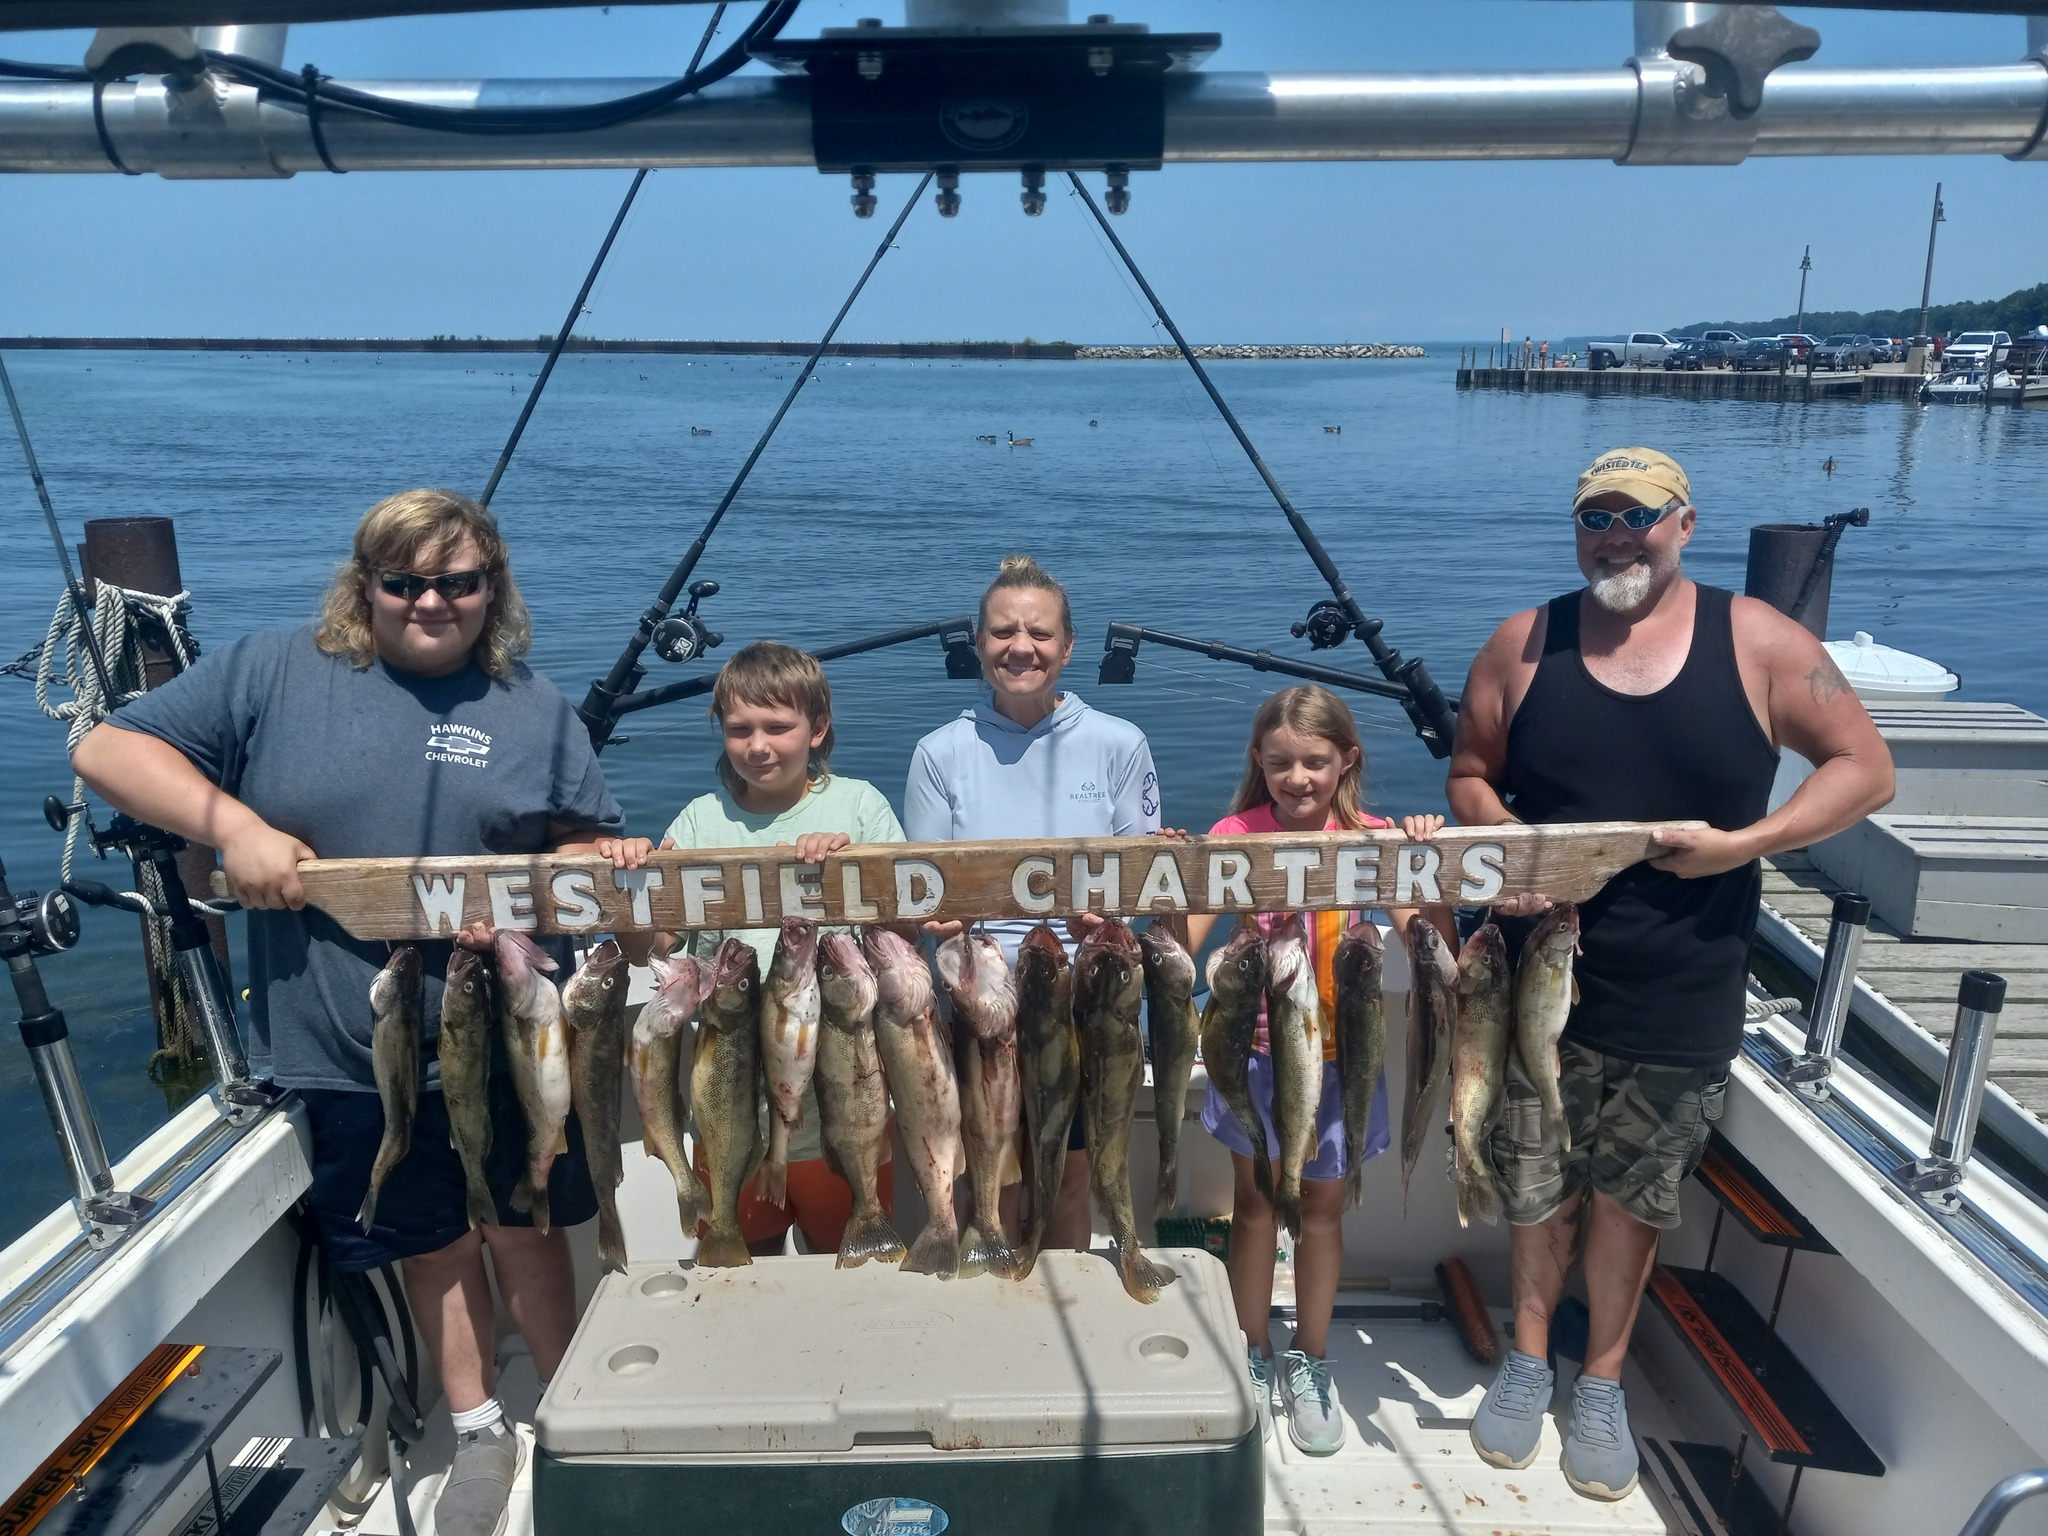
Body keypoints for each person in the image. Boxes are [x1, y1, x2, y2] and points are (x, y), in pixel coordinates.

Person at [71, 489, 631, 1536]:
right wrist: (233, 827)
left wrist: (597, 862)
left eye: (457, 582)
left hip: (515, 1032)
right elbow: (105, 752)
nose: (431, 601)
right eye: (404, 581)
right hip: (352, 1038)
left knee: (525, 1228)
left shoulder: (534, 707)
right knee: (432, 1243)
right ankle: (477, 1428)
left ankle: (569, 1416)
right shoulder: (272, 672)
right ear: (363, 585)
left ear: (492, 588)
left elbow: (580, 840)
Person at [1447, 447, 1893, 1501]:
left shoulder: (1761, 642)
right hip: (1534, 981)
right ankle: (1526, 1361)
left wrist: (1749, 844)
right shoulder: (1522, 643)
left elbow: (1864, 768)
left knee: (1633, 1198)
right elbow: (1468, 775)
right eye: (1594, 517)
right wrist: (1514, 851)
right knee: (1534, 1183)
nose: (1615, 537)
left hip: (1686, 981)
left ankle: (1601, 1380)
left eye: (1636, 516)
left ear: (1684, 524)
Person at [1183, 685, 1453, 1455]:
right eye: (1280, 764)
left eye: (1313, 762)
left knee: (1324, 1214)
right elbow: (1185, 939)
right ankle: (1250, 1346)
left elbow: (1429, 940)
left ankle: (1312, 1357)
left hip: (1342, 1058)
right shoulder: (1235, 835)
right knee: (1256, 1207)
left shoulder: (1373, 838)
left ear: (1346, 761)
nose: (1297, 778)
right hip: (1255, 1057)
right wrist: (1173, 871)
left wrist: (1424, 862)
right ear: (1257, 762)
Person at [602, 640, 903, 1256]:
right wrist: (629, 882)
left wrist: (856, 865)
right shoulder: (698, 821)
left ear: (818, 729)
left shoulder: (860, 807)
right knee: (739, 1269)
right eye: (740, 729)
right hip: (729, 1114)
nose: (758, 745)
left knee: (851, 1265)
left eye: (777, 727)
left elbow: (905, 930)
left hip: (843, 1112)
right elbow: (647, 947)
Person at [904, 554, 1160, 1253]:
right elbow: (925, 891)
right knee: (993, 1178)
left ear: (1068, 646)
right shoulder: (939, 753)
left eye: (1040, 633)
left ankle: (1058, 1288)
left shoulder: (1120, 744)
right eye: (1003, 632)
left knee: (1067, 1180)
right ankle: (986, 1293)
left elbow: (1138, 884)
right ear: (979, 643)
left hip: (1083, 1002)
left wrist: (1111, 919)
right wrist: (939, 920)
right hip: (977, 998)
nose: (1021, 647)